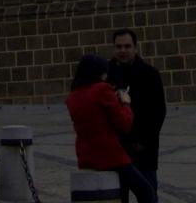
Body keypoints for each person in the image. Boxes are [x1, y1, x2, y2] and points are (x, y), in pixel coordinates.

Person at [66, 54, 156, 203]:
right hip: (110, 155)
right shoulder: (102, 89)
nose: (106, 76)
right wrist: (125, 103)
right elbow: (124, 124)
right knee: (146, 192)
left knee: (119, 195)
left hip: (86, 156)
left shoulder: (72, 97)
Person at [106, 29, 166, 201]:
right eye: (119, 46)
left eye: (127, 46)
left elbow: (158, 111)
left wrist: (143, 141)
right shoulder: (106, 75)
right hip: (115, 149)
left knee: (148, 195)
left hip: (143, 151)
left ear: (135, 48)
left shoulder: (150, 74)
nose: (123, 50)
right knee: (117, 197)